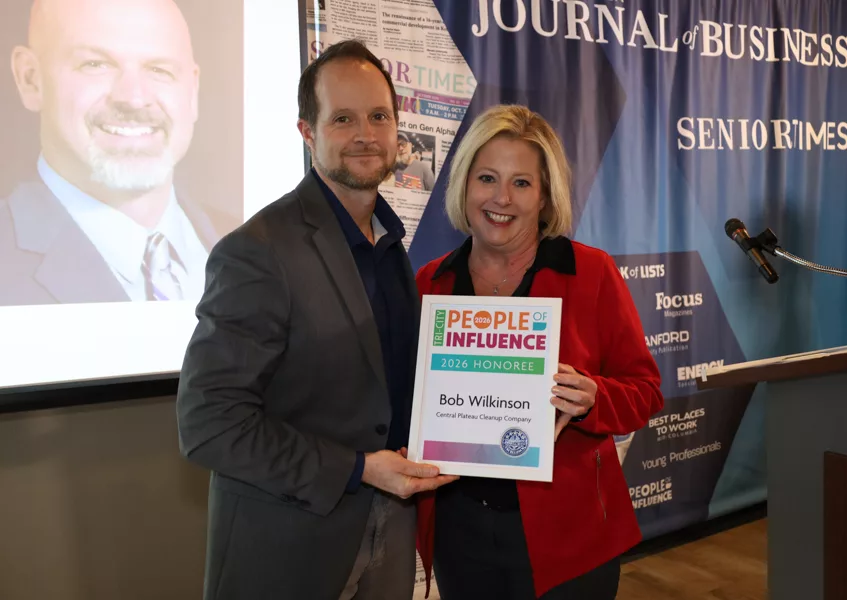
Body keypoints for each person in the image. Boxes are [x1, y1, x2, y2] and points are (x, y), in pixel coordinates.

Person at [176, 39, 456, 600]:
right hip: (290, 542)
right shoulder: (257, 250)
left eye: (379, 116)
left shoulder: (390, 243)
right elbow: (209, 424)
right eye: (343, 118)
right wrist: (357, 469)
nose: (365, 135)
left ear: (398, 127)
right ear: (308, 132)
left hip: (391, 527)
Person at [414, 104, 664, 599]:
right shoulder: (430, 283)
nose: (501, 198)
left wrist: (594, 398)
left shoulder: (591, 273)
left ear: (546, 197)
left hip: (569, 535)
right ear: (464, 184)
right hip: (460, 530)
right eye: (487, 177)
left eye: (522, 183)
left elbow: (645, 392)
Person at [0, 0, 234, 307]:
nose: (134, 98)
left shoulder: (249, 244)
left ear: (192, 91)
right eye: (95, 64)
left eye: (158, 69)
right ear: (30, 79)